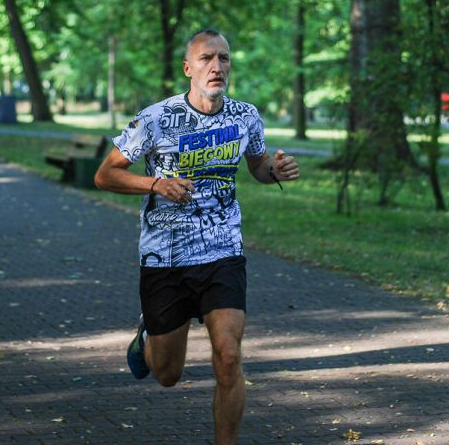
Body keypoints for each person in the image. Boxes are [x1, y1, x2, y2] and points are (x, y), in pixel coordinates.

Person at [94, 29, 300, 445]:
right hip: (165, 258)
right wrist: (156, 184)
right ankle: (149, 335)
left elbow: (258, 166)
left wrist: (274, 172)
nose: (217, 67)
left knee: (228, 356)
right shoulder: (155, 119)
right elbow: (105, 175)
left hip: (223, 251)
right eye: (207, 58)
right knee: (168, 375)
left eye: (224, 59)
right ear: (189, 68)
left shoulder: (245, 116)